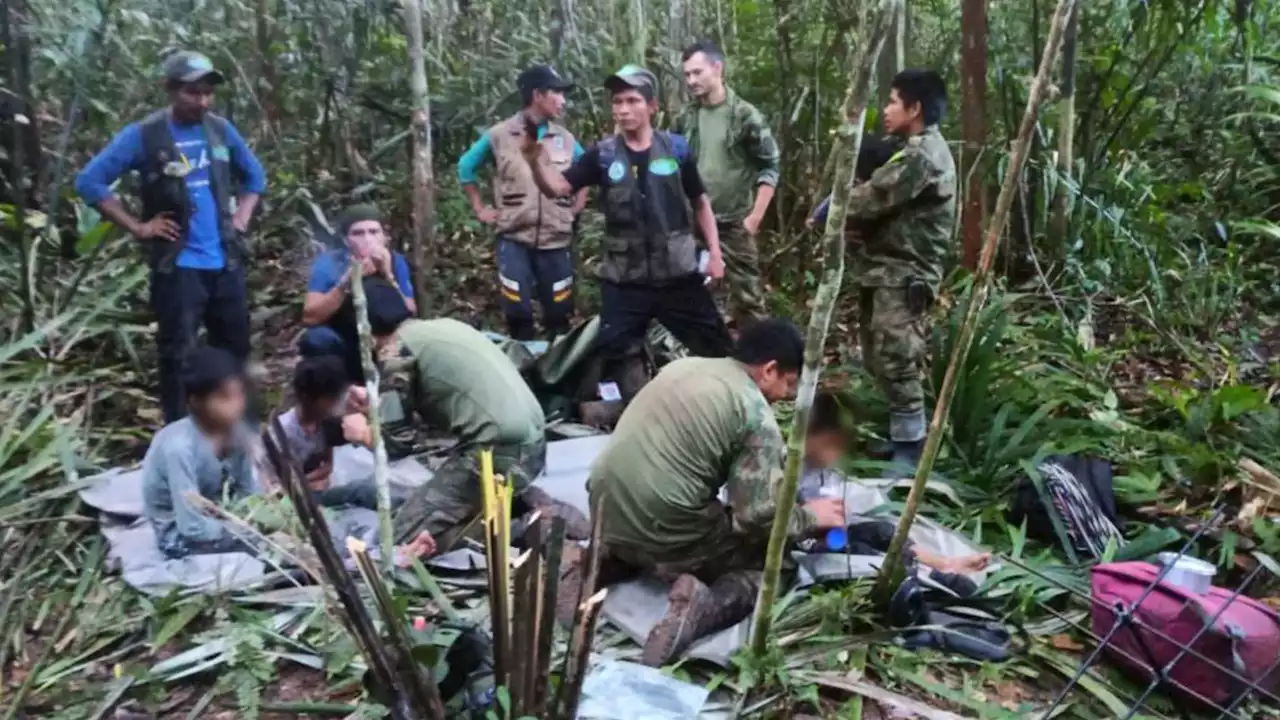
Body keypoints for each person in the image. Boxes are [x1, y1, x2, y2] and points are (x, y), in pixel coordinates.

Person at [560, 319, 847, 667]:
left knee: (665, 514)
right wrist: (809, 516)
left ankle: (597, 563)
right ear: (769, 369)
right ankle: (702, 608)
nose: (786, 395)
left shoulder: (685, 366)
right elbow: (754, 518)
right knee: (774, 568)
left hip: (604, 503)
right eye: (788, 383)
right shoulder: (754, 413)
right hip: (665, 522)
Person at [75, 51, 267, 424]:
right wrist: (138, 226)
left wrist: (241, 217)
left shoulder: (220, 131)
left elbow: (255, 177)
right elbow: (89, 182)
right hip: (179, 266)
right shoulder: (145, 136)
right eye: (192, 93)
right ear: (169, 89)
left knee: (236, 349)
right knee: (178, 353)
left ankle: (242, 433)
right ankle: (180, 433)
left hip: (225, 261)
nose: (202, 101)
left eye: (207, 93)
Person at [522, 65, 732, 401]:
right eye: (617, 102)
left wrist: (715, 255)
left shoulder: (676, 149)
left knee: (716, 347)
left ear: (652, 107)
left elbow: (700, 203)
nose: (622, 109)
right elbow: (558, 188)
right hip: (625, 278)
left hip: (677, 274)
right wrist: (534, 160)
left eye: (632, 100)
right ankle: (638, 409)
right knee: (616, 349)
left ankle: (725, 406)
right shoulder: (602, 156)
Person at [338, 283, 590, 554]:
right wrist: (379, 404)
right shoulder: (440, 328)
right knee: (435, 499)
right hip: (531, 445)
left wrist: (363, 433)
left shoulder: (396, 353)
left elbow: (398, 445)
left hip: (496, 452)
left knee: (400, 539)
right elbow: (444, 402)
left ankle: (527, 526)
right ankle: (521, 501)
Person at [844, 69, 956, 474]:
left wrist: (831, 208)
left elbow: (870, 198)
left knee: (897, 357)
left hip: (905, 273)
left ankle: (912, 450)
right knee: (877, 356)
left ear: (916, 108)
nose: (885, 109)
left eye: (893, 101)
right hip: (884, 269)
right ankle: (900, 437)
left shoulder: (922, 156)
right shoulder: (907, 147)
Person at [457, 65, 589, 341]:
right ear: (538, 95)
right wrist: (480, 208)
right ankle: (521, 367)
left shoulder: (565, 138)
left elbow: (586, 170)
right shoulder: (499, 135)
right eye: (557, 93)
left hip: (556, 239)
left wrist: (576, 206)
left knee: (559, 310)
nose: (563, 101)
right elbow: (466, 168)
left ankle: (558, 371)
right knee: (517, 310)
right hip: (515, 237)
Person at [799, 393, 991, 573]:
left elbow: (834, 520)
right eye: (831, 444)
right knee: (861, 552)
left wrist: (836, 533)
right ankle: (924, 576)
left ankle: (942, 565)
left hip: (825, 539)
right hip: (799, 544)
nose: (836, 454)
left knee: (881, 532)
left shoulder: (823, 472)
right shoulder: (787, 468)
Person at [677, 41, 781, 330]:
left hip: (735, 224)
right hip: (694, 224)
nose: (691, 81)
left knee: (748, 300)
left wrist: (754, 218)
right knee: (695, 298)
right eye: (687, 75)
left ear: (717, 68)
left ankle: (759, 364)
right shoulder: (686, 117)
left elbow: (770, 164)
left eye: (697, 73)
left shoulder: (745, 116)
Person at [142, 346, 261, 558]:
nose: (237, 405)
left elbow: (249, 493)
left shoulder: (237, 433)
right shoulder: (179, 448)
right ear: (196, 401)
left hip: (221, 516)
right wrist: (243, 531)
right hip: (179, 534)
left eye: (239, 395)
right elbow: (191, 527)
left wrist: (259, 516)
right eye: (224, 398)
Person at [301, 204, 417, 384]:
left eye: (373, 232)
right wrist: (346, 282)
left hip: (386, 341)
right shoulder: (330, 263)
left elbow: (411, 310)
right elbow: (310, 317)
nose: (367, 239)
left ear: (384, 237)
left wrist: (388, 275)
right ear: (347, 240)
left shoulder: (395, 261)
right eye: (358, 233)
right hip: (346, 339)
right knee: (316, 340)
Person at [272, 355, 384, 510]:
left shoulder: (326, 421)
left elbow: (328, 467)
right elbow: (278, 488)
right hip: (298, 500)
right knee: (358, 493)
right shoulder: (284, 433)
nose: (335, 403)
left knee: (368, 488)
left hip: (316, 486)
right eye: (330, 398)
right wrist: (308, 483)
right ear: (307, 397)